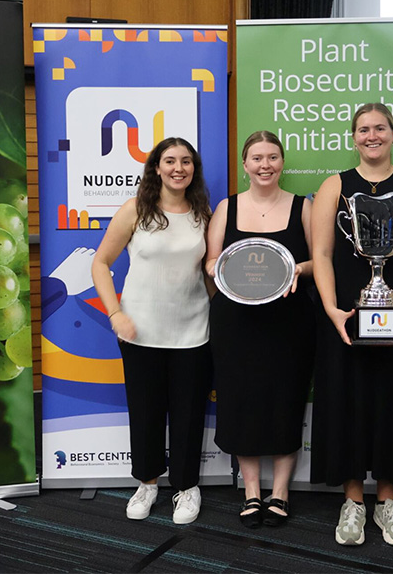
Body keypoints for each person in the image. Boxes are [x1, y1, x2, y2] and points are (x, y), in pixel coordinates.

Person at [310, 103, 393, 547]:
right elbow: (323, 255)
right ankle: (353, 502)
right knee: (347, 401)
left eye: (380, 128)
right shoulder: (334, 186)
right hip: (347, 317)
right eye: (363, 129)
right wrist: (331, 309)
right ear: (354, 137)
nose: (372, 136)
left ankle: (388, 501)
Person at [91, 137, 213, 525]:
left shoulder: (203, 213)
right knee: (145, 412)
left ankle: (186, 487)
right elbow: (100, 263)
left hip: (193, 331)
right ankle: (147, 483)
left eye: (186, 162)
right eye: (170, 161)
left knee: (188, 414)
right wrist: (114, 314)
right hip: (139, 332)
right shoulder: (135, 210)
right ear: (156, 168)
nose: (179, 168)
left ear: (194, 169)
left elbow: (209, 274)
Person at [205, 131, 316, 529]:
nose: (265, 164)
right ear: (245, 164)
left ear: (282, 162)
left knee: (285, 400)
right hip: (236, 323)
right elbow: (212, 261)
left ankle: (280, 493)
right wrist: (224, 273)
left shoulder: (303, 207)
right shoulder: (226, 208)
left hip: (288, 324)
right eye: (257, 157)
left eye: (272, 157)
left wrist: (294, 271)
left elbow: (320, 260)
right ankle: (251, 492)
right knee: (240, 402)